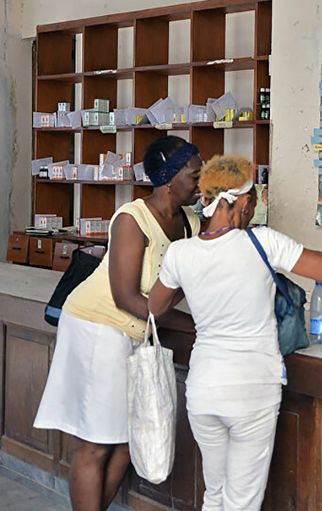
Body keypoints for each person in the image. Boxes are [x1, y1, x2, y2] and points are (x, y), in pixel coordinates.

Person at [148, 155, 322, 511]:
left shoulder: (181, 254)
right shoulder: (264, 243)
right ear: (239, 201)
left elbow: (154, 305)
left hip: (204, 391)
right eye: (253, 201)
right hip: (252, 391)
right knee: (241, 502)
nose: (254, 210)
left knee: (215, 494)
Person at [34, 136, 203, 511]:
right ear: (169, 178)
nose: (199, 182)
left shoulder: (189, 222)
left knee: (128, 441)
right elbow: (125, 297)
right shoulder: (132, 219)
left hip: (135, 333)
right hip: (97, 329)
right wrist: (196, 326)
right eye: (194, 175)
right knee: (95, 443)